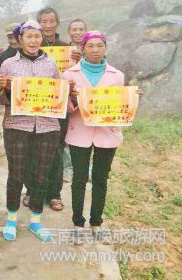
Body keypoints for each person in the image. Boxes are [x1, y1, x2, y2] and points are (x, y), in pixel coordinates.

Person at [63, 31, 142, 244]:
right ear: (83, 48)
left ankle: (96, 223)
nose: (95, 50)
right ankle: (77, 224)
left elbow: (119, 106)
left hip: (107, 134)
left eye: (99, 45)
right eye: (90, 46)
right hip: (80, 132)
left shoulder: (117, 75)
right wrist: (72, 98)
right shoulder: (69, 74)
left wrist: (132, 100)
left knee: (100, 179)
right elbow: (65, 108)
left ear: (105, 48)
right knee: (79, 179)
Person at [0, 20, 70, 243]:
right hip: (17, 126)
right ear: (20, 40)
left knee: (41, 174)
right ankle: (11, 219)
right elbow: (0, 100)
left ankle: (36, 221)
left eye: (37, 36)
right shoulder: (8, 64)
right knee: (16, 174)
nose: (33, 40)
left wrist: (69, 92)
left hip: (47, 127)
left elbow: (58, 95)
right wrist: (5, 89)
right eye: (28, 36)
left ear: (42, 39)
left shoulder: (51, 64)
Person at [23, 7, 79, 212]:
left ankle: (54, 193)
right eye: (43, 21)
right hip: (34, 104)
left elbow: (76, 76)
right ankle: (31, 190)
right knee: (31, 149)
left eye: (51, 21)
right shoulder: (30, 48)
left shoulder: (67, 49)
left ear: (57, 23)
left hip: (58, 105)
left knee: (56, 150)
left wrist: (78, 60)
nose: (47, 25)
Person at [63, 18, 88, 184]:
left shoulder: (93, 50)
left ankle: (86, 168)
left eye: (81, 29)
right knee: (67, 133)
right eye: (74, 29)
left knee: (88, 135)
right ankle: (68, 168)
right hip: (67, 97)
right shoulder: (63, 51)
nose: (78, 32)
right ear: (69, 32)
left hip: (87, 99)